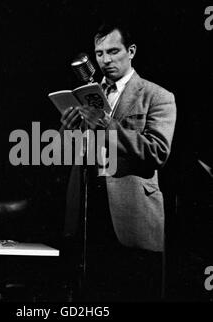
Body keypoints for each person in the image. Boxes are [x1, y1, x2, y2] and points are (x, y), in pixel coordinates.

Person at [59, 21, 177, 301]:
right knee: (90, 294)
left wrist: (107, 125)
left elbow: (158, 151)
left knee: (132, 292)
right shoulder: (87, 94)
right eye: (99, 53)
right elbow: (72, 153)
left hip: (131, 210)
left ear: (131, 51)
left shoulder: (156, 95)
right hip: (88, 205)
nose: (105, 60)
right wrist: (68, 129)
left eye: (113, 51)